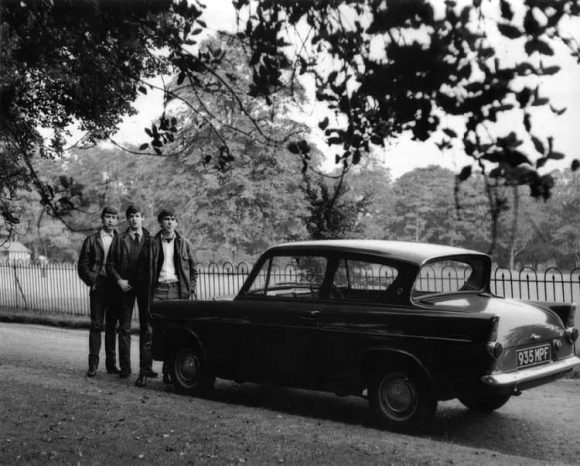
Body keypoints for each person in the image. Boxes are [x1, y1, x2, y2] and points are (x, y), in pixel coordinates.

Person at [135, 207, 198, 387]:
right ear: (160, 223)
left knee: (175, 334)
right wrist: (145, 289)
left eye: (172, 219)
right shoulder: (151, 243)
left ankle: (169, 373)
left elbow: (194, 269)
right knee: (149, 331)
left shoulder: (184, 243)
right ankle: (144, 371)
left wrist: (189, 288)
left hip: (178, 292)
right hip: (158, 291)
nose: (169, 222)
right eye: (166, 219)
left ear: (176, 222)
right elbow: (140, 269)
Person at [106, 205, 153, 379]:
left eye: (137, 216)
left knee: (146, 327)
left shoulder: (150, 239)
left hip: (145, 288)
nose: (134, 219)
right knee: (124, 328)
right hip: (125, 288)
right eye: (131, 216)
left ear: (143, 218)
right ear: (127, 219)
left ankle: (146, 367)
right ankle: (125, 367)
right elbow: (110, 264)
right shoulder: (119, 238)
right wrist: (119, 280)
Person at [77, 206, 119, 377]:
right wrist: (92, 281)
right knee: (96, 325)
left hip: (115, 287)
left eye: (113, 217)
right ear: (102, 219)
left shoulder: (120, 239)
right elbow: (82, 265)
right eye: (107, 216)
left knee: (112, 326)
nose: (110, 220)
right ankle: (93, 365)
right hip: (99, 286)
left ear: (117, 220)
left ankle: (111, 365)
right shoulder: (92, 240)